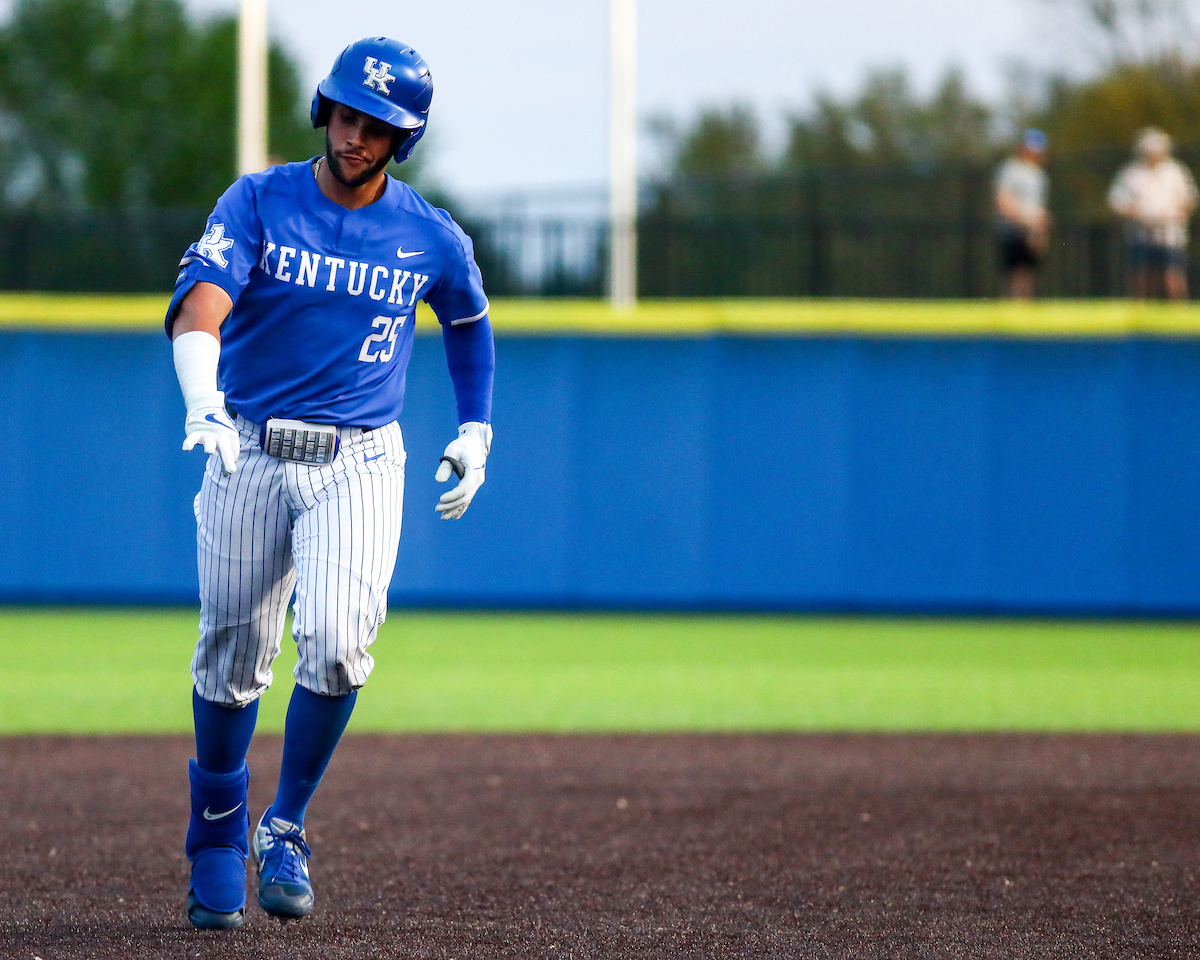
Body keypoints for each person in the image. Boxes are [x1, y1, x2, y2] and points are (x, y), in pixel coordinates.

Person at [166, 36, 495, 930]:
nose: (354, 135)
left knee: (342, 642)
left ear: (403, 137)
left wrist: (476, 428)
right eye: (346, 114)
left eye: (376, 125)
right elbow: (202, 302)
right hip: (249, 445)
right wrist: (202, 398)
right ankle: (216, 829)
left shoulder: (429, 233)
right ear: (325, 110)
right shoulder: (261, 200)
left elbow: (467, 318)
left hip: (360, 458)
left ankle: (284, 826)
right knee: (233, 655)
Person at [1108, 127, 1199, 300]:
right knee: (1142, 275)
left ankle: (1177, 311)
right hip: (1141, 234)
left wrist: (1179, 213)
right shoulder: (1132, 173)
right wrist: (1134, 213)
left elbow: (1190, 198)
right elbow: (1117, 201)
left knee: (1172, 273)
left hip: (1171, 233)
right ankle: (1141, 311)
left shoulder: (1176, 172)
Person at [994, 128, 1051, 300]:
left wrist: (1040, 229)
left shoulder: (1039, 175)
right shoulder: (1010, 169)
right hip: (1012, 229)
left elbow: (1038, 206)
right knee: (1014, 272)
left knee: (1029, 273)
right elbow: (1003, 202)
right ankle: (1011, 314)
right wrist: (1026, 221)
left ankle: (1024, 311)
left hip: (1031, 230)